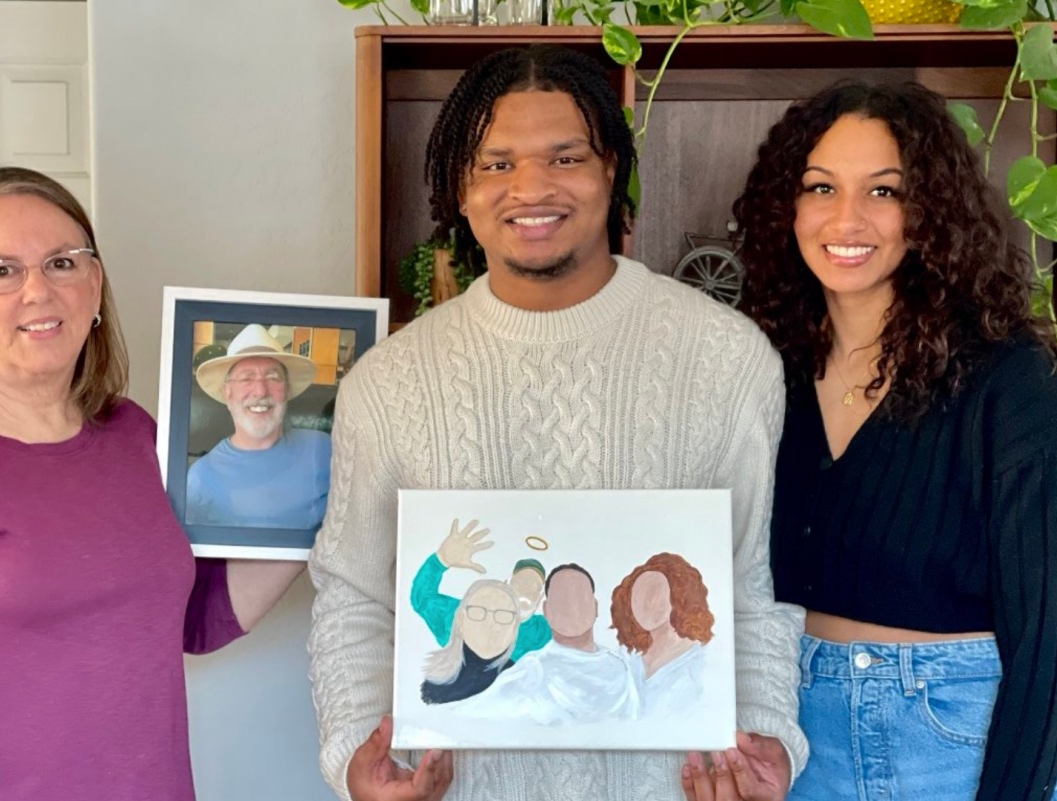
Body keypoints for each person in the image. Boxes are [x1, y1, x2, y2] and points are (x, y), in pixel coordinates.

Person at [308, 44, 807, 801]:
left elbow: (753, 585)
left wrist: (767, 734)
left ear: (612, 168)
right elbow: (354, 592)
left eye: (565, 156)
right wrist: (352, 754)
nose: (531, 187)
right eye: (496, 164)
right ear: (461, 190)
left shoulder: (728, 360)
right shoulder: (390, 382)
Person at [0, 166, 304, 801]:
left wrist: (314, 505)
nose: (38, 290)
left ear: (94, 286)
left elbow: (194, 618)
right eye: (2, 271)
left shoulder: (134, 435)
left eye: (63, 263)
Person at [730, 81, 1057, 801]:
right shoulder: (758, 370)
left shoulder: (1008, 378)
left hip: (951, 740)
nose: (847, 218)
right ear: (786, 205)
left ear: (931, 211)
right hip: (788, 740)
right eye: (821, 186)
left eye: (884, 191)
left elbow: (1048, 637)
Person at [454, 564, 639, 725]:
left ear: (596, 606)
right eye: (562, 600)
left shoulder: (619, 669)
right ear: (546, 611)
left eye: (580, 597)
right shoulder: (533, 670)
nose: (572, 608)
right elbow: (469, 718)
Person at [187, 323, 330, 529]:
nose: (261, 391)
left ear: (287, 389)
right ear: (228, 393)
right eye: (246, 379)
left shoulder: (323, 449)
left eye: (272, 377)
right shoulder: (200, 480)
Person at [410, 517, 551, 661]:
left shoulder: (544, 631)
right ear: (506, 585)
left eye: (534, 587)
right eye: (520, 583)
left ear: (541, 597)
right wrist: (439, 561)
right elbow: (423, 599)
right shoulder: (469, 615)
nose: (525, 592)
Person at [611, 553, 714, 718]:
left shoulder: (699, 667)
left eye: (654, 594)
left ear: (678, 598)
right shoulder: (627, 660)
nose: (646, 604)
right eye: (638, 595)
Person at [420, 579, 522, 704]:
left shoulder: (520, 683)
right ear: (461, 620)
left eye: (503, 615)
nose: (490, 624)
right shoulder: (435, 680)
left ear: (514, 628)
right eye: (478, 611)